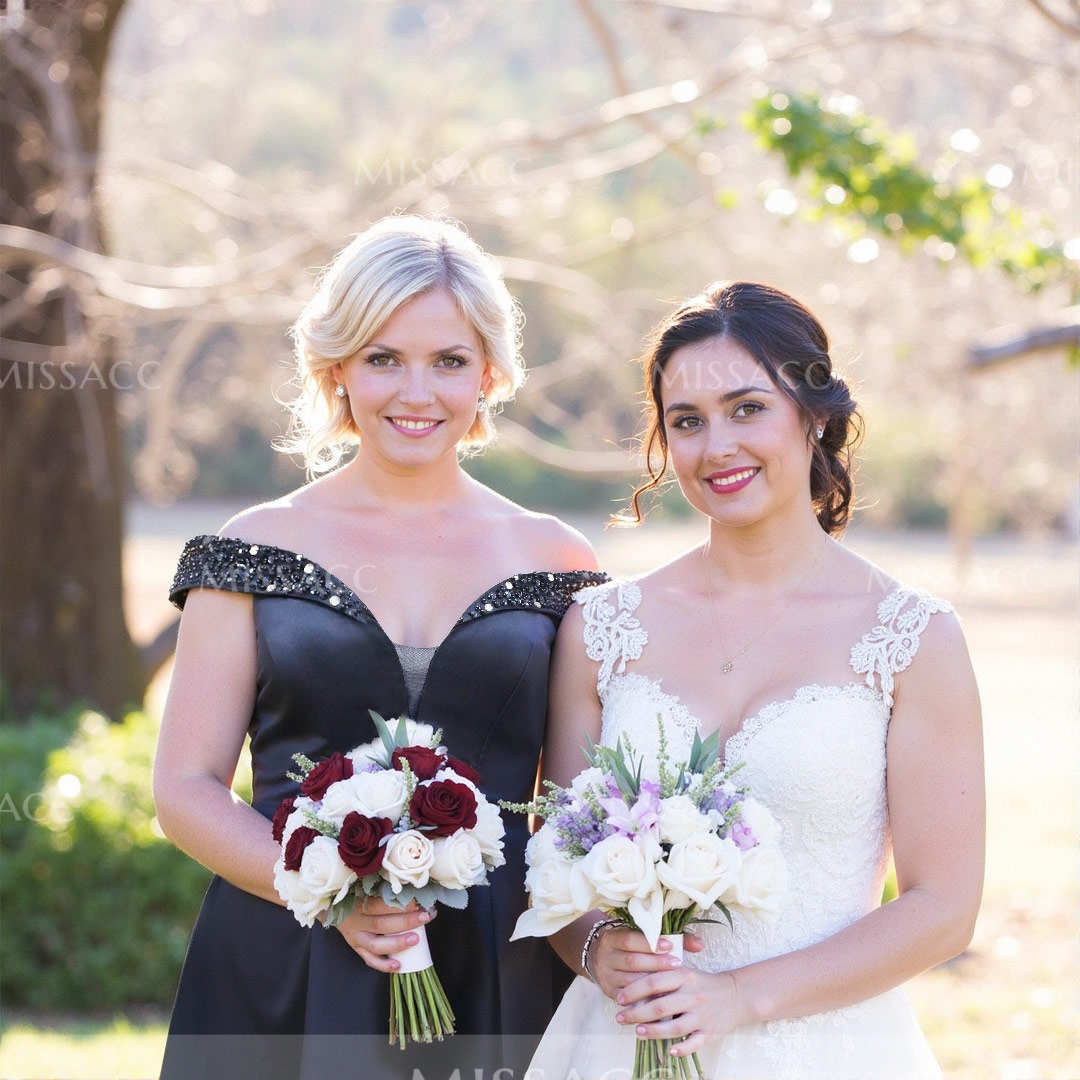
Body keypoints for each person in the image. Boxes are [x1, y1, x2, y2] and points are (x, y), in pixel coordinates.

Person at [152, 214, 606, 1080]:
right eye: (383, 358)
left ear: (490, 374)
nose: (416, 392)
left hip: (493, 973)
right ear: (336, 368)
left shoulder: (558, 560)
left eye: (449, 361)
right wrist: (327, 893)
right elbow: (183, 788)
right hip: (284, 963)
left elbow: (573, 807)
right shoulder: (248, 552)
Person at [530, 280, 984, 1078]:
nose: (717, 447)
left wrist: (739, 997)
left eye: (748, 408)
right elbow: (558, 864)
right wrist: (600, 951)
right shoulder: (599, 629)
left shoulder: (913, 638)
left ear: (814, 415)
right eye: (687, 423)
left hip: (828, 1048)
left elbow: (943, 909)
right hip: (621, 1041)